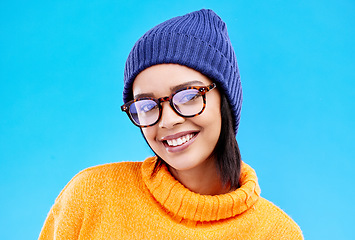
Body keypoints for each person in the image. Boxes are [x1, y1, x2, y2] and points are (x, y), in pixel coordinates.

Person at [39, 9, 303, 239]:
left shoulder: (276, 233)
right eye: (146, 105)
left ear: (225, 98)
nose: (167, 120)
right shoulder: (91, 196)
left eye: (188, 96)